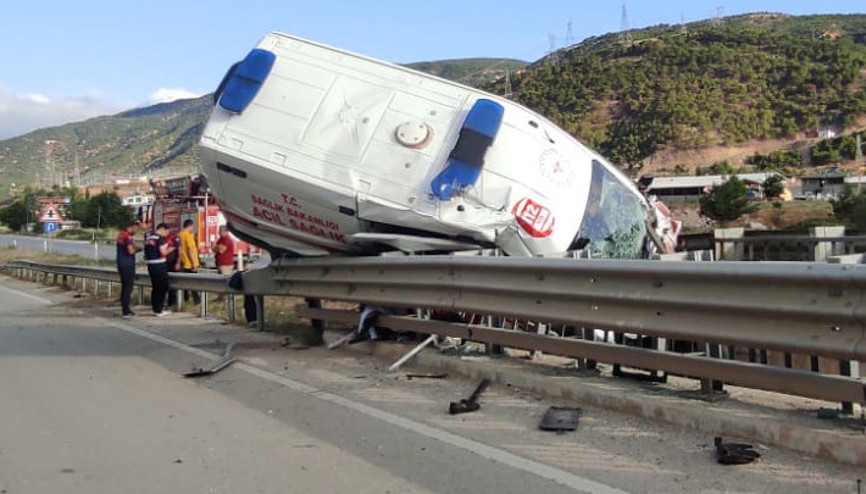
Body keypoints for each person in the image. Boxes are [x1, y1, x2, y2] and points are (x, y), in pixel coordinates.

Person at [144, 223, 175, 316]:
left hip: (150, 264)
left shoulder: (149, 238)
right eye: (167, 232)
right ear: (163, 229)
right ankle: (159, 310)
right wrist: (171, 249)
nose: (167, 234)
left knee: (155, 287)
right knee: (162, 287)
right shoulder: (160, 239)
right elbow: (163, 252)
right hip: (159, 265)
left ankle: (155, 308)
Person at [116, 220, 142, 316]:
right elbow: (130, 251)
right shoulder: (128, 236)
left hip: (121, 263)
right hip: (128, 264)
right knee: (128, 287)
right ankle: (126, 310)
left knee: (124, 287)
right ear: (133, 226)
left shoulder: (121, 235)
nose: (137, 231)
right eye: (137, 228)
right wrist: (138, 250)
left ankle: (124, 307)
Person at [178, 218, 200, 304]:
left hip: (183, 263)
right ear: (190, 226)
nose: (193, 229)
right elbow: (190, 250)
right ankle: (197, 300)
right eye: (192, 227)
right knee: (193, 283)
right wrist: (194, 263)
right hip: (189, 264)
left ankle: (185, 299)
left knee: (185, 284)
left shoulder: (179, 235)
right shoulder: (188, 236)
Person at [165, 230, 181, 309]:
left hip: (173, 263)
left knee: (173, 284)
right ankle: (169, 302)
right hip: (164, 263)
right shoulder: (162, 238)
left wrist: (178, 263)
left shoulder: (174, 238)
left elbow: (179, 251)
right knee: (166, 284)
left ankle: (173, 302)